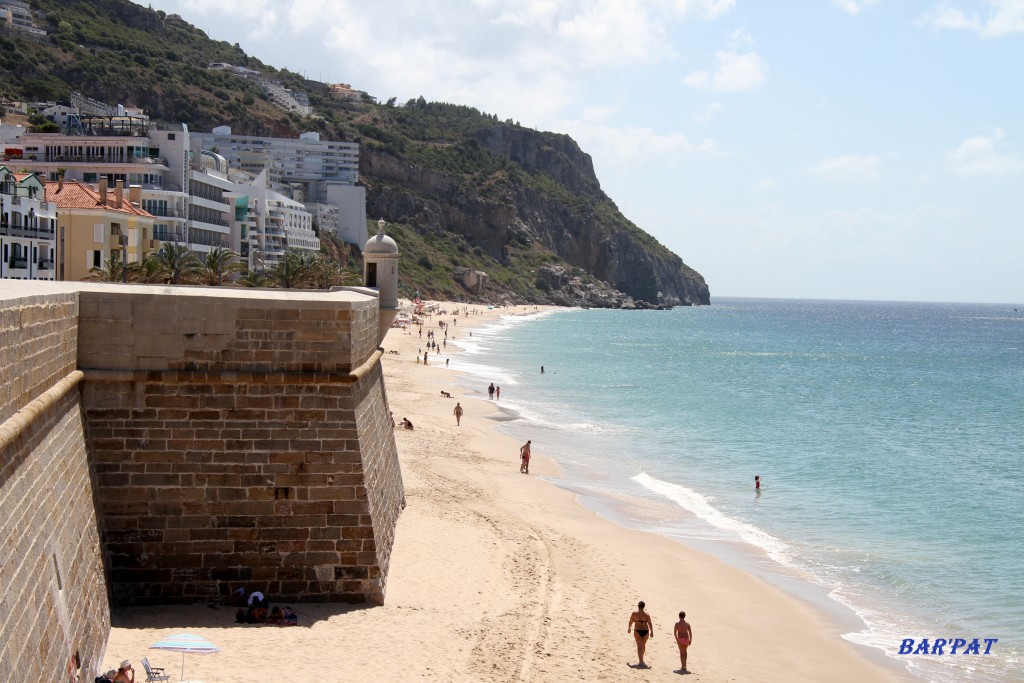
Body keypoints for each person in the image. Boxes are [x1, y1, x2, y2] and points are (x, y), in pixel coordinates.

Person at [628, 601, 653, 667]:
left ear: (638, 606)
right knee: (643, 645)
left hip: (637, 631)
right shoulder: (647, 615)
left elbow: (630, 621)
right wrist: (652, 632)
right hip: (645, 631)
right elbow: (650, 623)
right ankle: (642, 660)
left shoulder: (634, 614)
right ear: (644, 606)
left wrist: (629, 628)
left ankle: (641, 662)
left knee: (639, 646)